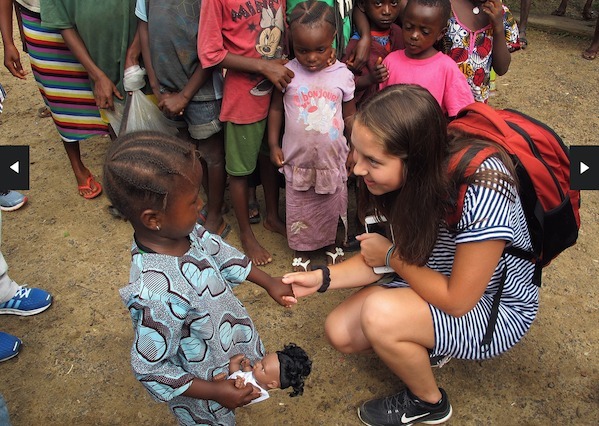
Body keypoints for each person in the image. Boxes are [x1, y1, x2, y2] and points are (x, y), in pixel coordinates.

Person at [281, 85, 538, 425]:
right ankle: (428, 339)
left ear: (414, 160)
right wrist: (321, 278)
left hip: (493, 306)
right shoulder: (410, 181)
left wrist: (393, 258)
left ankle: (428, 402)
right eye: (356, 152)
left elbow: (458, 300)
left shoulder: (484, 187)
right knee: (340, 330)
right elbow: (384, 254)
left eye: (373, 161)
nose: (357, 169)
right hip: (433, 277)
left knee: (378, 314)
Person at [104, 131, 296, 425]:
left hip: (224, 344)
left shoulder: (182, 230)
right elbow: (150, 367)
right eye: (193, 201)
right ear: (153, 218)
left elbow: (220, 252)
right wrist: (215, 392)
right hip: (202, 389)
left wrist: (268, 281)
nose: (201, 206)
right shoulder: (155, 292)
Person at [198, 0, 290, 266]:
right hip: (243, 98)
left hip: (278, 90)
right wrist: (263, 66)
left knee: (269, 157)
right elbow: (211, 53)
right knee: (239, 170)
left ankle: (272, 217)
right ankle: (247, 236)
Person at [268, 0, 356, 271]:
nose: (312, 57)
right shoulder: (287, 73)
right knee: (300, 205)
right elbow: (275, 111)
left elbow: (350, 116)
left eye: (320, 49)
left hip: (333, 158)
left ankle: (333, 244)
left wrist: (357, 148)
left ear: (333, 40)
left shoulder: (343, 74)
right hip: (298, 158)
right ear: (292, 43)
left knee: (333, 203)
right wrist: (273, 143)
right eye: (303, 50)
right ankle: (302, 248)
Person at [134, 0, 228, 237]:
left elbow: (212, 49)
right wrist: (156, 86)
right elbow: (144, 29)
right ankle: (204, 202)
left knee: (211, 152)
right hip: (166, 86)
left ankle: (216, 214)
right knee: (187, 148)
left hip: (202, 89)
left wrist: (185, 96)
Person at [0, 0, 110, 199]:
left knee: (107, 82)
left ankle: (120, 158)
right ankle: (77, 167)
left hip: (87, 12)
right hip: (39, 19)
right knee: (58, 93)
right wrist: (8, 42)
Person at [380, 0, 474, 118]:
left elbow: (460, 114)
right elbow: (380, 108)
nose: (414, 36)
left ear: (440, 34)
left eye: (424, 32)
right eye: (409, 27)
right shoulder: (390, 62)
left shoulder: (446, 68)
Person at [445, 0, 519, 103]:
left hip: (475, 107)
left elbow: (501, 69)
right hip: (441, 100)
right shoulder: (443, 7)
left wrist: (498, 26)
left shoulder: (502, 14)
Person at [341, 0, 404, 107]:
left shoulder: (399, 33)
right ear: (362, 5)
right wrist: (370, 79)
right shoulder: (356, 45)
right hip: (368, 110)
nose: (387, 11)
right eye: (378, 3)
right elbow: (344, 83)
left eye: (393, 3)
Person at [225, 343, 312, 405]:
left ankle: (232, 364)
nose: (257, 364)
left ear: (271, 384)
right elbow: (249, 375)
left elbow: (240, 394)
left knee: (233, 366)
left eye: (262, 368)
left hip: (228, 395)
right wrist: (246, 366)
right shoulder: (258, 379)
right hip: (233, 379)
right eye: (261, 361)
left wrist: (240, 386)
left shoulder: (256, 392)